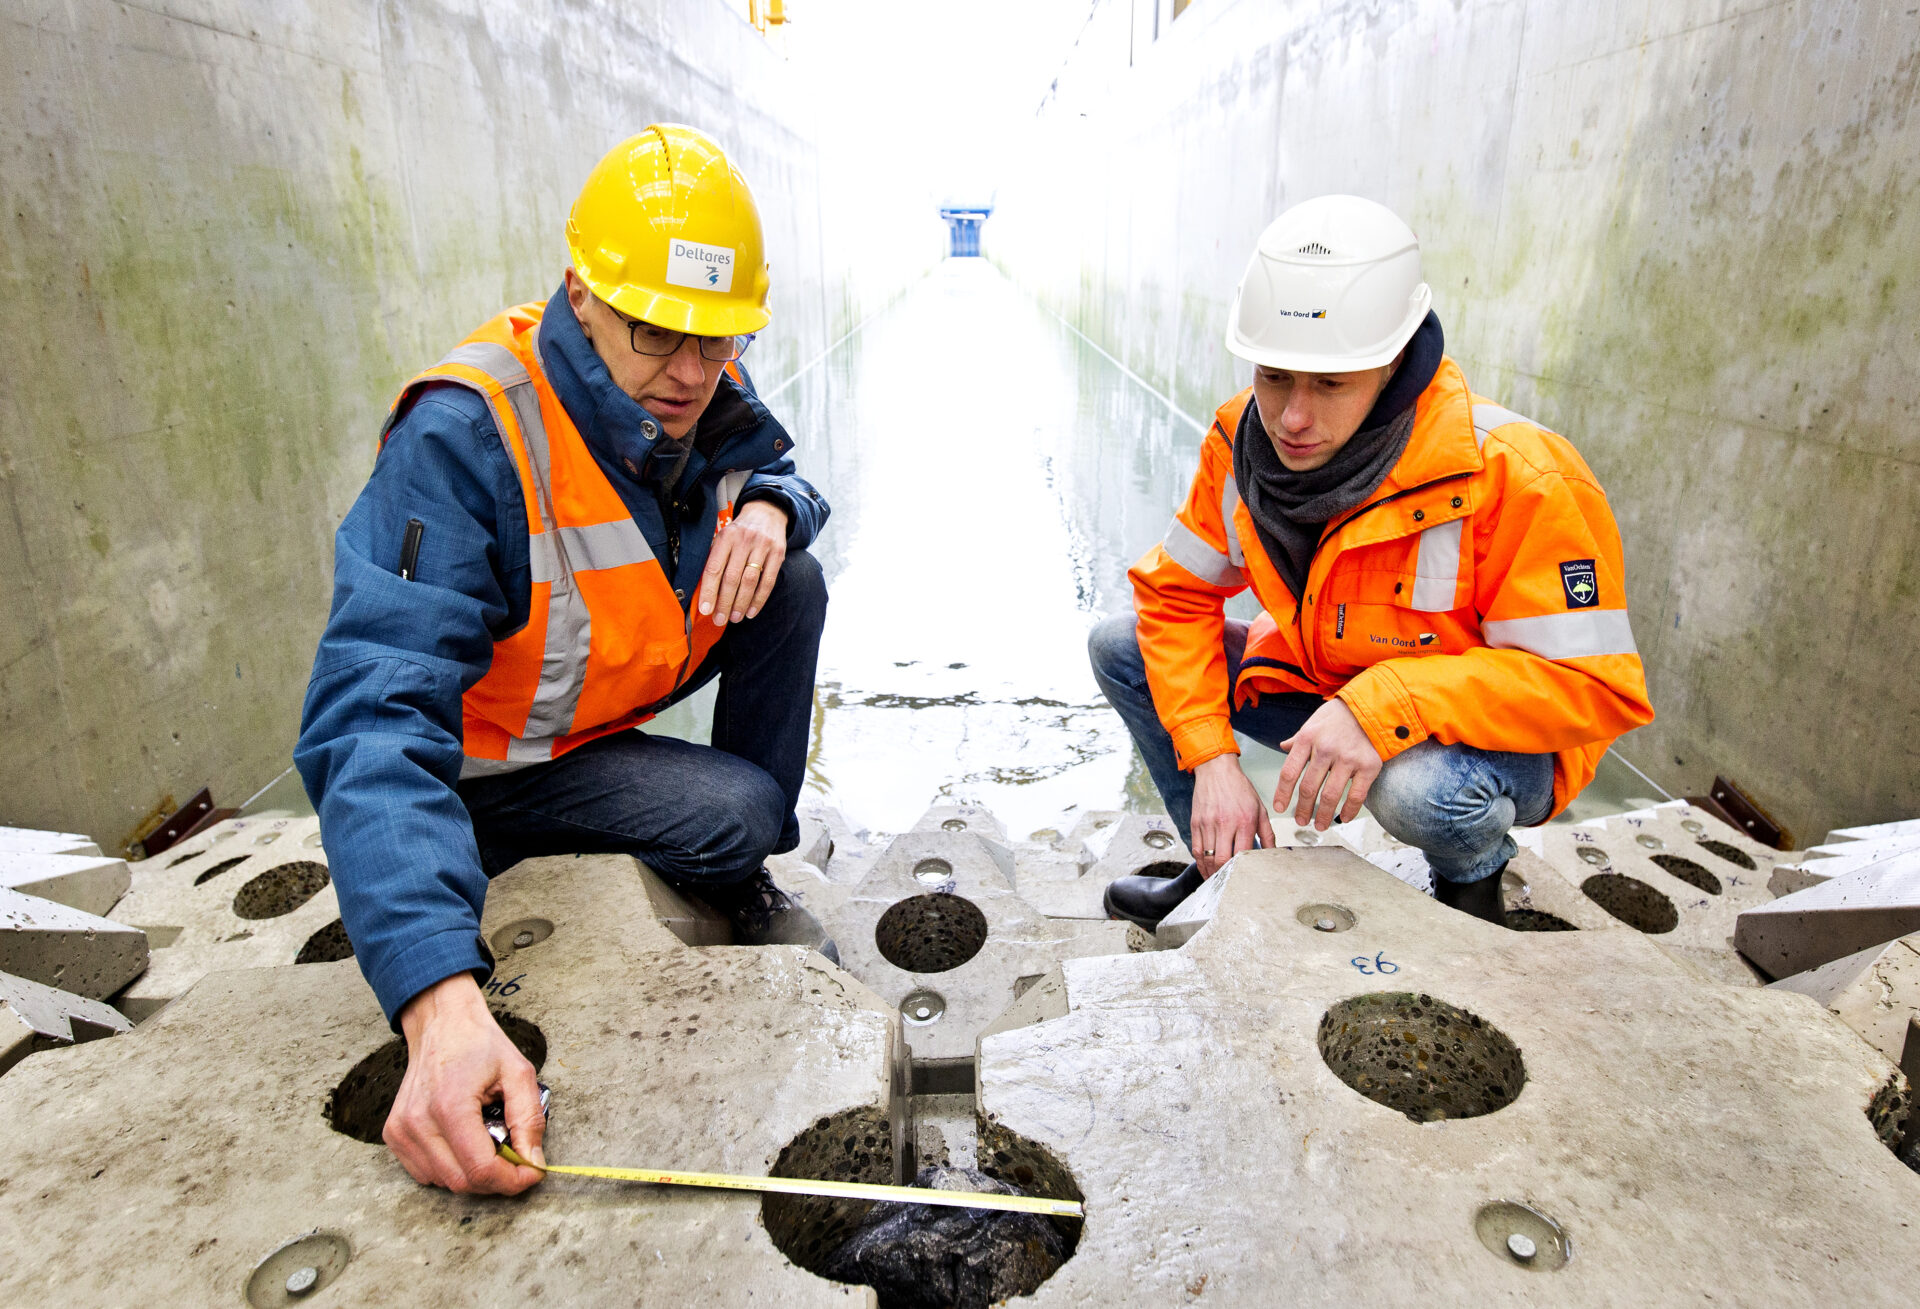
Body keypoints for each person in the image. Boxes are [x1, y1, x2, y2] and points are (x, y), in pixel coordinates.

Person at [295, 125, 835, 1196]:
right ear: (583, 294)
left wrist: (776, 507)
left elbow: (778, 465)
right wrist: (437, 997)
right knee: (733, 811)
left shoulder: (694, 376)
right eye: (658, 332)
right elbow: (371, 712)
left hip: (594, 701)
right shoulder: (468, 437)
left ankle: (736, 859)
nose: (691, 372)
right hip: (494, 765)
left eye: (717, 340)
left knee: (792, 579)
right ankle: (717, 859)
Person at [1093, 195, 1653, 932]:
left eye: (1330, 384)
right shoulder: (1239, 442)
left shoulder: (1519, 476)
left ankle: (1471, 887)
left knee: (1418, 791)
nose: (1292, 417)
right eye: (1273, 376)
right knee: (1121, 647)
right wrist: (1210, 760)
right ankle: (1221, 866)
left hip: (1486, 742)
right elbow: (1175, 598)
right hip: (1329, 685)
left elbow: (1594, 688)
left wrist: (1385, 703)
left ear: (1393, 363)